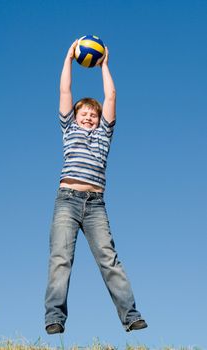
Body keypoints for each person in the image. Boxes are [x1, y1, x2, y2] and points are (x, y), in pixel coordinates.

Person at [45, 40, 148, 334]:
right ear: (75, 117)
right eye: (84, 113)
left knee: (108, 258)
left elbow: (111, 95)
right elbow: (65, 91)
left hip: (95, 205)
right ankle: (54, 318)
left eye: (93, 113)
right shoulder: (69, 129)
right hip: (67, 199)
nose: (89, 117)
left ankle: (131, 316)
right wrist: (68, 58)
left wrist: (104, 64)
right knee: (60, 259)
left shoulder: (104, 134)